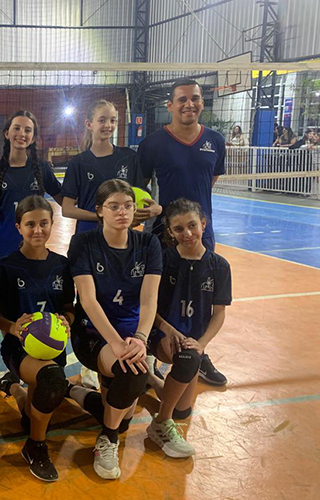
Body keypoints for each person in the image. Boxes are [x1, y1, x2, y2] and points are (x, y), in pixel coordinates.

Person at [67, 179, 161, 480]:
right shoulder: (84, 243)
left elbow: (149, 301)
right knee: (133, 372)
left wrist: (141, 339)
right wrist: (117, 343)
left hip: (133, 336)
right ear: (100, 210)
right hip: (93, 336)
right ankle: (107, 439)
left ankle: (72, 391)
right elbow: (88, 300)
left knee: (120, 410)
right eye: (114, 206)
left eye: (128, 206)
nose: (122, 212)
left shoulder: (148, 244)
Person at [137, 78, 227, 387]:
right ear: (170, 106)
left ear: (201, 102)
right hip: (163, 234)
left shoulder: (215, 140)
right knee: (160, 294)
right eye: (182, 99)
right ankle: (152, 352)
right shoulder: (153, 143)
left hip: (201, 234)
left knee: (200, 297)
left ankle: (198, 353)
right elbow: (140, 188)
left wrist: (194, 221)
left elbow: (210, 180)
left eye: (195, 98)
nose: (190, 104)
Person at [0, 195, 74, 482]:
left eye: (43, 223)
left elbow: (69, 308)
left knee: (33, 413)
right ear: (18, 227)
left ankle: (11, 386)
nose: (37, 230)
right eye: (30, 224)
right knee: (51, 381)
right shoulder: (4, 267)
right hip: (18, 349)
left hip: (53, 349)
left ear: (52, 224)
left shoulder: (62, 265)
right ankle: (35, 447)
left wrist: (67, 320)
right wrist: (12, 327)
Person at [144, 198, 232, 459]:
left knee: (182, 410)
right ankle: (160, 423)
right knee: (187, 360)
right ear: (170, 232)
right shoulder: (163, 260)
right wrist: (168, 329)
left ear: (203, 224)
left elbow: (219, 313)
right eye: (179, 229)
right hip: (161, 334)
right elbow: (148, 306)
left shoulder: (219, 266)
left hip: (193, 343)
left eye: (192, 225)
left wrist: (202, 343)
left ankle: (150, 378)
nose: (188, 233)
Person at [0, 110, 63, 262]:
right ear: (7, 133)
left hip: (32, 244)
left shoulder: (42, 168)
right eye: (17, 128)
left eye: (27, 130)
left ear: (33, 138)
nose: (22, 133)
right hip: (0, 244)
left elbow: (64, 201)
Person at [61, 99, 148, 235]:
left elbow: (140, 199)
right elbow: (67, 209)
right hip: (88, 234)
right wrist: (104, 217)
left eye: (113, 120)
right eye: (102, 120)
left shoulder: (129, 157)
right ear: (89, 124)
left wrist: (155, 210)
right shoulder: (78, 162)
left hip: (121, 234)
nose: (108, 125)